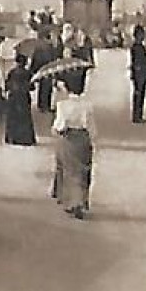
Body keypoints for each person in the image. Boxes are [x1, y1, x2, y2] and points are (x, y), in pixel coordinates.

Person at [51, 77, 96, 219]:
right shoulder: (87, 105)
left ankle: (72, 202)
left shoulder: (63, 105)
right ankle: (82, 200)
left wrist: (55, 130)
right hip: (83, 138)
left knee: (69, 170)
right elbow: (91, 127)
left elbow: (60, 125)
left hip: (69, 138)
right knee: (83, 170)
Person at [2, 53, 36, 145]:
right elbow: (32, 87)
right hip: (24, 97)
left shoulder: (12, 72)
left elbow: (7, 85)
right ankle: (25, 139)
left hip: (13, 97)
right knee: (24, 118)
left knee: (13, 118)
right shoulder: (27, 73)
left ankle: (12, 138)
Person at [129, 25, 146, 123]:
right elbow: (137, 62)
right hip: (140, 74)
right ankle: (137, 115)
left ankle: (138, 114)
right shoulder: (137, 47)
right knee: (139, 94)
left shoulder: (139, 47)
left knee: (140, 94)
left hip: (141, 74)